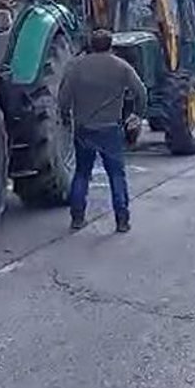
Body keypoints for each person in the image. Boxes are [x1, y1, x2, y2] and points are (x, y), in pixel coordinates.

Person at [58, 29, 148, 234]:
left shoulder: (75, 67)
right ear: (110, 45)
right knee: (116, 175)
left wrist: (66, 118)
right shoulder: (121, 67)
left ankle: (77, 217)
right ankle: (122, 220)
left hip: (84, 129)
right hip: (110, 129)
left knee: (81, 173)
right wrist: (137, 115)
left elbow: (63, 99)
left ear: (91, 45)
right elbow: (141, 92)